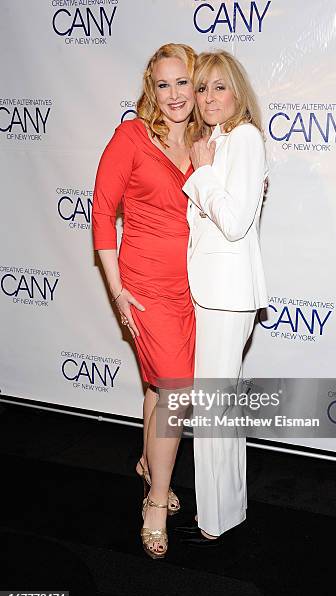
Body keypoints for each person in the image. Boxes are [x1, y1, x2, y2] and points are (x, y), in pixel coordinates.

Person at [91, 43, 197, 559]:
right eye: (164, 84)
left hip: (193, 287)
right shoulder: (131, 136)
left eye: (183, 83)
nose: (174, 95)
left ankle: (147, 461)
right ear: (150, 89)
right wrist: (117, 291)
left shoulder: (204, 141)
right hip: (144, 287)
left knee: (159, 385)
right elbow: (101, 212)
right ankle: (156, 500)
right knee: (176, 388)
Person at [177, 50, 269, 546]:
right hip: (211, 292)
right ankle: (226, 512)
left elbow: (234, 223)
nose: (209, 97)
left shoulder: (246, 139)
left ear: (237, 93)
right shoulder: (214, 141)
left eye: (219, 87)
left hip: (227, 294)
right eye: (203, 87)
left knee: (213, 406)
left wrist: (204, 172)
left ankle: (212, 520)